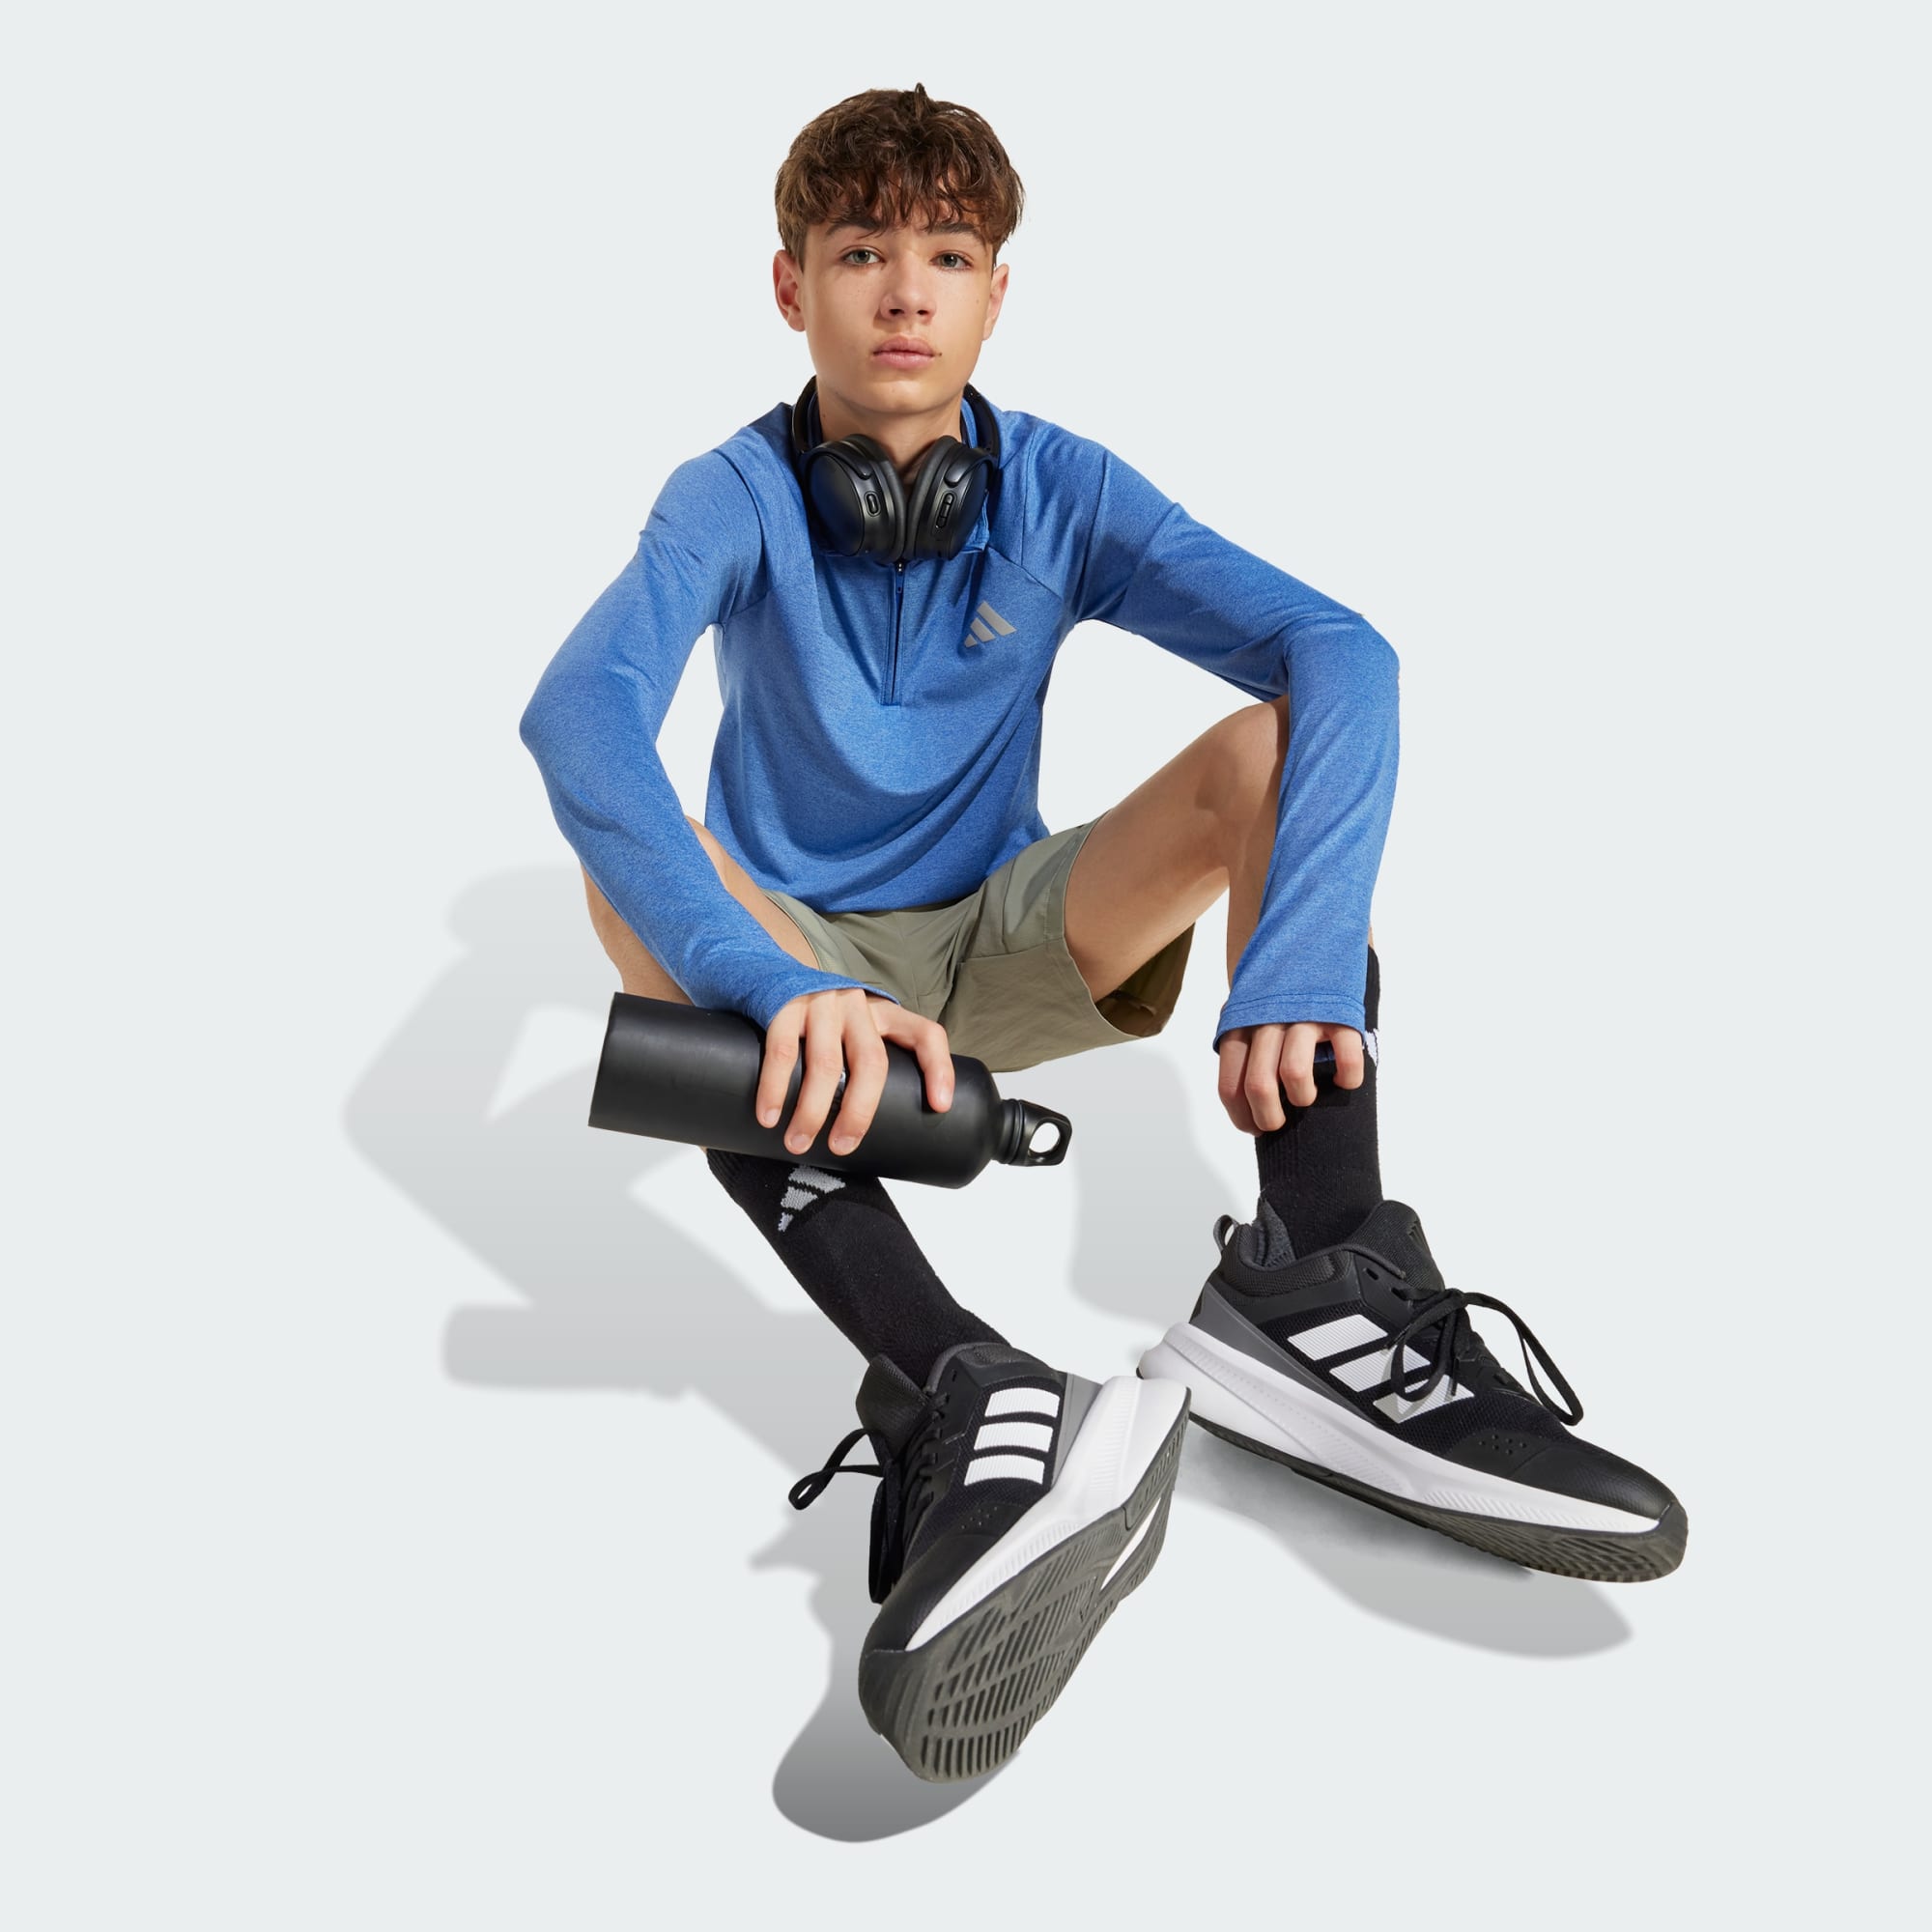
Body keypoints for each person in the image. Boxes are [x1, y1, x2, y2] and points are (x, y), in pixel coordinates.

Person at [519, 83, 1686, 1783]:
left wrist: (1296, 961)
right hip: (810, 991)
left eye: (947, 255)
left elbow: (1344, 650)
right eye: (861, 252)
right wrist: (768, 979)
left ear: (998, 293)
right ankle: (971, 1387)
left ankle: (1311, 1288)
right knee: (628, 883)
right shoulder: (729, 497)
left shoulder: (1060, 487)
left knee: (1272, 749)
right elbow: (578, 715)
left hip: (1006, 944)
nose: (904, 292)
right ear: (791, 288)